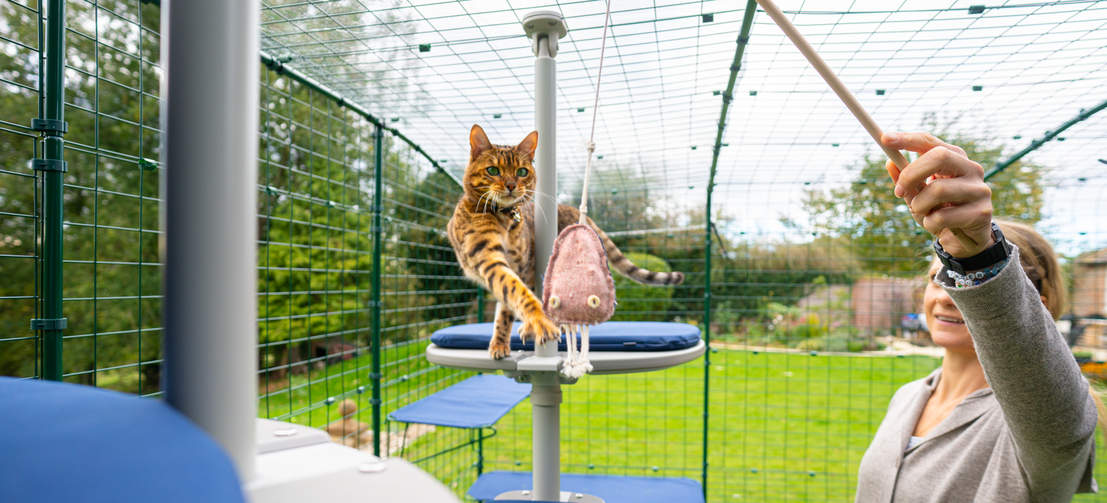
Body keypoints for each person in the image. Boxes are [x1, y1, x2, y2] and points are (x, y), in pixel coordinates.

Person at [855, 132, 1099, 502]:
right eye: (939, 277)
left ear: (1038, 306)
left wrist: (979, 260)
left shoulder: (1048, 421)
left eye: (957, 280)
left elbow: (1045, 396)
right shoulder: (908, 397)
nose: (946, 296)